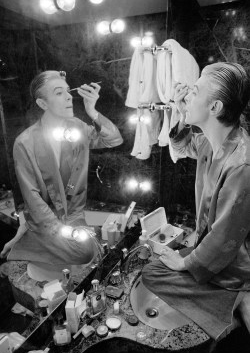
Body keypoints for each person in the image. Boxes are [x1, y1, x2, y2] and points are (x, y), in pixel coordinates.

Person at [142, 62, 250, 339]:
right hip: (211, 252)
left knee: (156, 273)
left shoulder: (241, 165)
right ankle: (225, 302)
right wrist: (182, 111)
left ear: (215, 108)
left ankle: (233, 300)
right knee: (152, 272)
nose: (188, 93)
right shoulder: (210, 143)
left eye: (196, 89)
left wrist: (184, 264)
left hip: (234, 264)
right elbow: (180, 147)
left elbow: (224, 234)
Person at [0, 70, 123, 269]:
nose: (68, 97)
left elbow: (114, 139)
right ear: (42, 104)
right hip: (45, 218)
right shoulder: (25, 142)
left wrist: (92, 111)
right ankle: (28, 238)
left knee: (88, 251)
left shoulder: (76, 128)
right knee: (85, 251)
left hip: (74, 215)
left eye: (68, 91)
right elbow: (32, 198)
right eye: (59, 93)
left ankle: (28, 235)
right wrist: (63, 232)